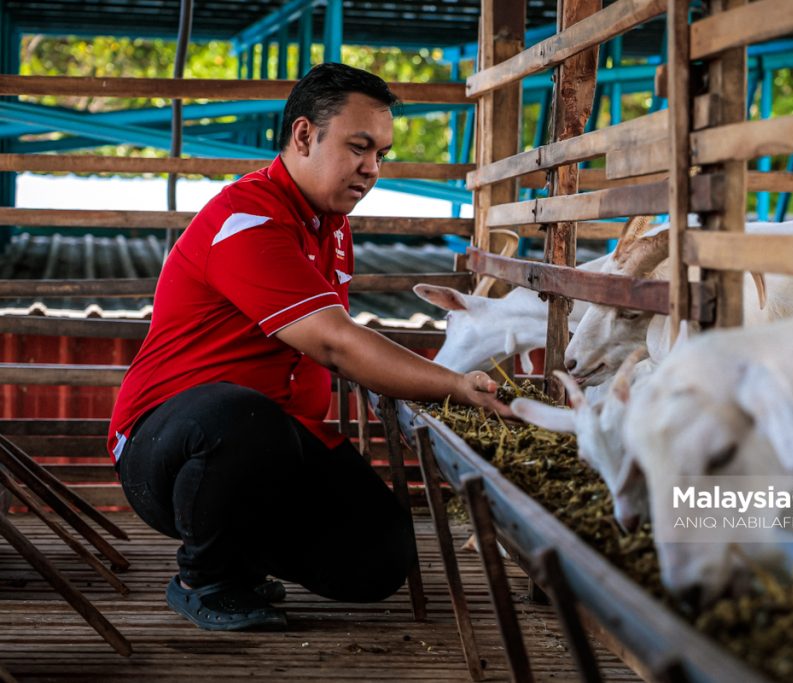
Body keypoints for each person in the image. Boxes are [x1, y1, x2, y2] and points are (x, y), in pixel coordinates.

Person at [108, 63, 510, 631]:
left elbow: (332, 339)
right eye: (359, 148)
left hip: (273, 445)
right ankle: (205, 577)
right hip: (169, 449)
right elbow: (335, 343)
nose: (372, 169)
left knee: (379, 558)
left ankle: (239, 550)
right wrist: (453, 384)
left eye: (382, 155)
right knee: (245, 418)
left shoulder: (331, 225)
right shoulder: (247, 220)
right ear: (303, 136)